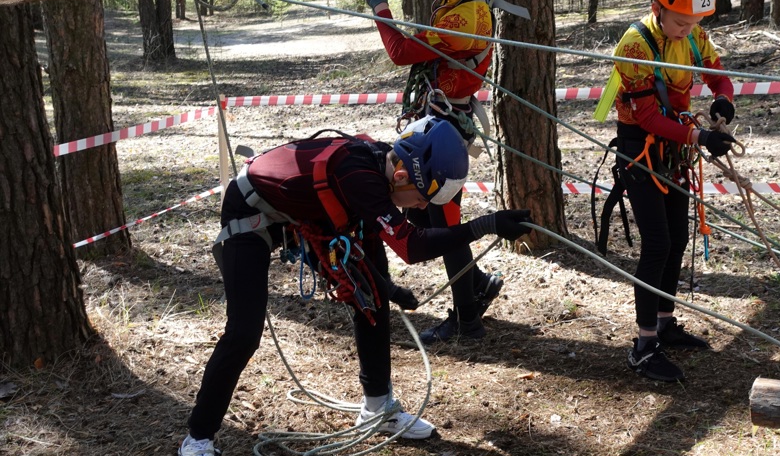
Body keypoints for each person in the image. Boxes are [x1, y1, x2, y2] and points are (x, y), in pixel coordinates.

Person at [178, 118, 531, 456]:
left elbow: (367, 257)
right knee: (243, 332)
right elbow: (413, 246)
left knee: (373, 301)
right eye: (423, 196)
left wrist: (387, 290)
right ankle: (197, 438)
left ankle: (378, 409)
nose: (423, 205)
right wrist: (487, 224)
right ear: (403, 175)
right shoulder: (362, 179)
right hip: (250, 211)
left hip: (306, 211)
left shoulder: (380, 169)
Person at [363, 0, 503, 345]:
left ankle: (467, 320)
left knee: (444, 222)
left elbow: (402, 52)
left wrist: (380, 9)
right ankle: (475, 285)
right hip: (442, 120)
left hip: (445, 129)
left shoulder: (464, 17)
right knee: (425, 212)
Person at [610, 0, 736, 383]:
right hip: (640, 152)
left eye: (693, 21)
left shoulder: (693, 34)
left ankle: (665, 323)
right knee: (658, 244)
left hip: (674, 151)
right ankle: (644, 347)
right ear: (657, 6)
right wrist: (700, 139)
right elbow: (645, 117)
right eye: (681, 21)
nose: (689, 29)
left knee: (678, 238)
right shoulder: (634, 44)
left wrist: (724, 99)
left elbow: (719, 76)